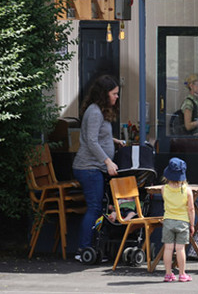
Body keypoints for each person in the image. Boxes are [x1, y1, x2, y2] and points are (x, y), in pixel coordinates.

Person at [71, 75, 126, 261]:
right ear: (104, 94)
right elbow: (91, 141)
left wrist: (113, 141)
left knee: (98, 208)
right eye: (114, 94)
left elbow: (96, 136)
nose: (116, 97)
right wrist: (107, 161)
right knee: (94, 208)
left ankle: (92, 249)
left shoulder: (98, 111)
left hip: (95, 168)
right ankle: (83, 249)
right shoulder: (95, 112)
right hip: (89, 168)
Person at [161, 157, 195, 283]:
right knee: (180, 249)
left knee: (168, 248)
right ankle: (182, 274)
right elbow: (191, 209)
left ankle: (168, 274)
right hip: (182, 222)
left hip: (168, 221)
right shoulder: (187, 190)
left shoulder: (164, 189)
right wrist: (192, 224)